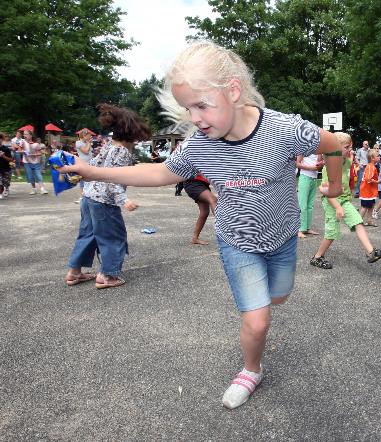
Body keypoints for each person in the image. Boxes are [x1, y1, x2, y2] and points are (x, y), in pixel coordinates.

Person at [59, 40, 343, 410]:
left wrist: (334, 185)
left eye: (201, 105)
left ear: (234, 91)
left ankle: (263, 301)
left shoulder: (285, 130)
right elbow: (160, 171)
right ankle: (251, 370)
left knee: (279, 297)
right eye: (188, 108)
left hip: (283, 237)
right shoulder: (199, 146)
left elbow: (333, 143)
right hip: (236, 241)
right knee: (258, 320)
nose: (194, 118)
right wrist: (93, 170)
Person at [64, 104, 150, 289]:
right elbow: (113, 178)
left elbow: (94, 165)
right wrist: (124, 200)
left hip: (88, 197)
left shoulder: (109, 146)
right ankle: (108, 275)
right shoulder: (123, 151)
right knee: (114, 236)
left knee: (88, 235)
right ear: (133, 134)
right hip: (104, 201)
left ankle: (74, 272)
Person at [310, 132, 381, 269]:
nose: (351, 150)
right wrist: (337, 207)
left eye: (351, 147)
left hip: (344, 200)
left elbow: (348, 176)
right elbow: (327, 192)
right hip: (332, 202)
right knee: (331, 233)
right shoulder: (329, 166)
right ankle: (317, 257)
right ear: (335, 148)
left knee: (358, 222)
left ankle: (371, 252)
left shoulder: (347, 161)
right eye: (347, 147)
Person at [183, 173, 217, 245]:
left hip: (203, 185)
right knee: (213, 200)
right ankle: (226, 230)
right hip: (193, 183)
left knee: (205, 212)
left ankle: (195, 238)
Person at [296, 152, 324, 237]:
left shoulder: (319, 149)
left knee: (310, 205)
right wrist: (311, 168)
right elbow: (297, 163)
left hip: (314, 178)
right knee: (302, 204)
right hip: (305, 177)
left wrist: (321, 162)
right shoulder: (303, 149)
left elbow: (319, 164)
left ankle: (307, 228)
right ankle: (300, 229)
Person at [22, 130, 48, 195]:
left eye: (26, 134)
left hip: (36, 162)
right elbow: (18, 149)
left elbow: (40, 153)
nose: (24, 136)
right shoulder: (22, 142)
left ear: (30, 135)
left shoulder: (36, 144)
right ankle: (34, 189)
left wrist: (33, 154)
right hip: (27, 162)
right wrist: (22, 151)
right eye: (24, 134)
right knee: (30, 176)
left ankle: (42, 189)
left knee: (38, 175)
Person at [359, 149, 380, 226]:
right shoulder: (371, 167)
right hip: (367, 191)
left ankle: (369, 220)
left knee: (371, 206)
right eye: (377, 156)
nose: (379, 157)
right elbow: (368, 179)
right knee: (365, 207)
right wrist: (377, 182)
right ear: (372, 158)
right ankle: (359, 222)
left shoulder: (372, 166)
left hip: (371, 191)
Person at [75, 129, 93, 203]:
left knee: (90, 179)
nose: (90, 137)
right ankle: (82, 197)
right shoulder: (78, 143)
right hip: (83, 163)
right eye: (89, 135)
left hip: (90, 163)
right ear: (84, 135)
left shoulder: (86, 142)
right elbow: (85, 151)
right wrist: (89, 143)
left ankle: (88, 195)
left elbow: (90, 152)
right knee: (83, 180)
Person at [0, 133, 13, 199]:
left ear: (2, 140)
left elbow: (11, 159)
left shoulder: (6, 149)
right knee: (0, 182)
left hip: (6, 168)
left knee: (6, 182)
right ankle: (0, 193)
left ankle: (6, 188)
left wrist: (3, 156)